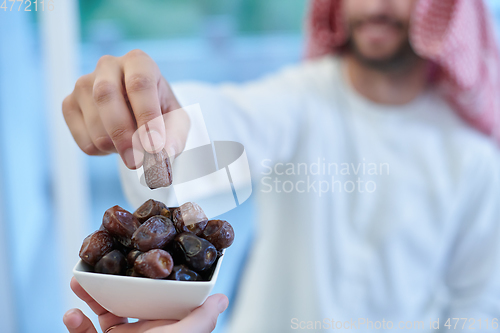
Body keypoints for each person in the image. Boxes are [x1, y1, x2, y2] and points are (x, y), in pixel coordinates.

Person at [62, 0, 500, 332]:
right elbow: (220, 126)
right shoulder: (300, 100)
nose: (372, 6)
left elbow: (478, 303)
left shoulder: (474, 159)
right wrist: (154, 125)